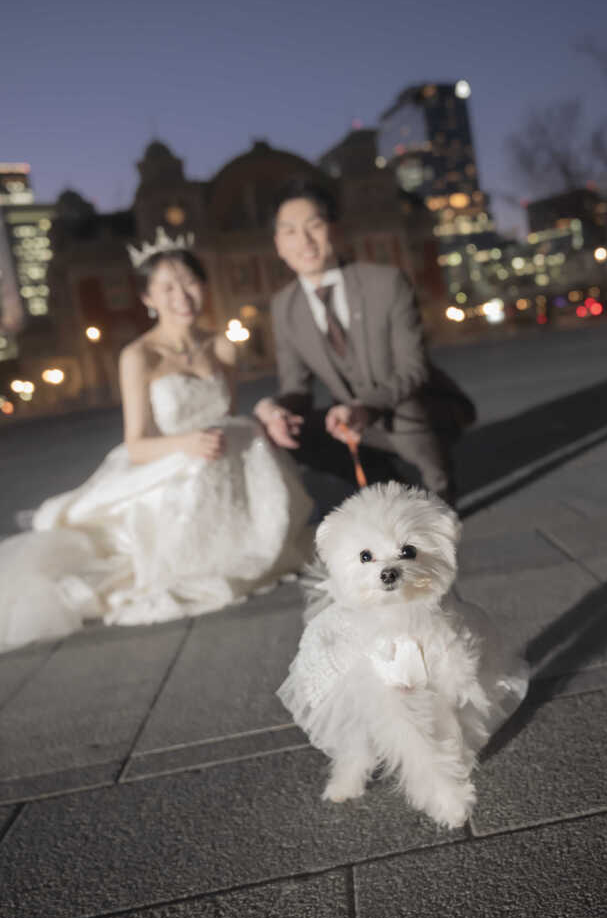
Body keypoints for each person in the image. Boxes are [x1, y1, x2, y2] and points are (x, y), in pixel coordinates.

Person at [0, 230, 312, 653]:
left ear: (203, 286)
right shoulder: (139, 355)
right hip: (170, 461)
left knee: (244, 436)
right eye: (167, 287)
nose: (181, 295)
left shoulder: (221, 347)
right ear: (148, 297)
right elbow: (137, 444)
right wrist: (185, 443)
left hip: (223, 461)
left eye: (189, 282)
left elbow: (228, 414)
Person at [254, 180, 474, 505]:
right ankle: (385, 483)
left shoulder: (386, 283)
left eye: (314, 226)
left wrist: (364, 407)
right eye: (290, 232)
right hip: (351, 420)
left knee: (409, 407)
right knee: (289, 430)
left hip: (412, 409)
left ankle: (440, 485)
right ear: (278, 244)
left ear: (335, 230)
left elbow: (413, 370)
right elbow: (297, 388)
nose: (304, 241)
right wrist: (273, 410)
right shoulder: (284, 305)